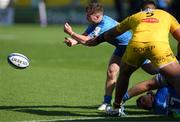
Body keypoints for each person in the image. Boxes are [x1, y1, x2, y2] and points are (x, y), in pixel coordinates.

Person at [79, 0, 180, 116]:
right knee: (177, 77)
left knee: (124, 74)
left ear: (142, 10)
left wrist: (97, 40)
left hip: (136, 45)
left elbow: (113, 32)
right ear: (156, 9)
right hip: (159, 47)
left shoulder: (135, 16)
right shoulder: (166, 15)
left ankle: (116, 108)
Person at [64, 0, 157, 111]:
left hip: (132, 47)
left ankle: (172, 77)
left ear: (97, 16)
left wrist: (71, 33)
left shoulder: (104, 24)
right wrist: (73, 42)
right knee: (111, 71)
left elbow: (89, 40)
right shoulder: (96, 23)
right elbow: (85, 36)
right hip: (121, 47)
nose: (86, 18)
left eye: (88, 16)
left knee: (153, 71)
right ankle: (106, 102)